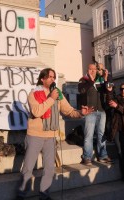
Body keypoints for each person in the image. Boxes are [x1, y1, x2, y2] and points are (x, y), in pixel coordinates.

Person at [16, 68, 93, 200]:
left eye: (54, 77)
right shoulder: (34, 93)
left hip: (50, 136)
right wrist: (51, 99)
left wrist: (81, 112)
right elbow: (36, 112)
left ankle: (44, 194)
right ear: (42, 79)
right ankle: (21, 194)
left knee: (50, 169)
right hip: (35, 135)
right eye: (50, 77)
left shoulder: (57, 94)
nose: (53, 79)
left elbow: (69, 111)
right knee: (28, 167)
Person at [78, 63, 113, 165]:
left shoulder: (102, 80)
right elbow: (82, 91)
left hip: (102, 111)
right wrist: (90, 80)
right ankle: (87, 157)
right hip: (90, 112)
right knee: (88, 135)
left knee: (101, 134)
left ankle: (103, 155)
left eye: (95, 69)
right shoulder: (83, 80)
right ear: (87, 70)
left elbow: (110, 88)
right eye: (91, 69)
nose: (93, 71)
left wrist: (106, 77)